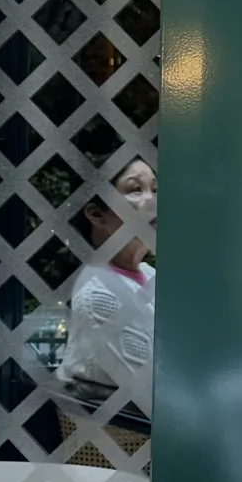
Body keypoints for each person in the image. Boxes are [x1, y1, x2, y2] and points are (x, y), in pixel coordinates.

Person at [57, 156, 155, 412]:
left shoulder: (149, 274)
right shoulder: (99, 294)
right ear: (96, 214)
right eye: (136, 190)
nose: (154, 200)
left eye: (155, 190)